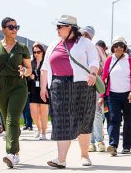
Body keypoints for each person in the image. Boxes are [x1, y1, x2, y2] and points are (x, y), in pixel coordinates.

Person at [40, 15, 99, 168]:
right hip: (59, 86)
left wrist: (92, 74)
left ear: (69, 28)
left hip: (82, 85)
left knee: (83, 120)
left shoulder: (85, 43)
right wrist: (43, 88)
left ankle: (85, 155)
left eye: (59, 27)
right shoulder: (53, 45)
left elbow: (94, 61)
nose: (57, 30)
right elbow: (45, 67)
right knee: (61, 122)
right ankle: (61, 159)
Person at [0, 17, 32, 168]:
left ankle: (10, 153)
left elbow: (29, 69)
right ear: (3, 29)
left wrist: (25, 71)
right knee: (7, 123)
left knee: (12, 118)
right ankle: (15, 154)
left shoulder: (22, 47)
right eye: (11, 27)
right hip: (1, 88)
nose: (15, 29)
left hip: (19, 87)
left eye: (17, 27)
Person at [98, 37, 131, 156]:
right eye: (116, 45)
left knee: (128, 122)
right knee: (113, 120)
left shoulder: (129, 60)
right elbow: (104, 79)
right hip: (113, 96)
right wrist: (101, 96)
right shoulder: (109, 60)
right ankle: (113, 145)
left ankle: (126, 146)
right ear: (113, 48)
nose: (119, 47)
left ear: (125, 48)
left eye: (121, 45)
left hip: (128, 96)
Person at [82, 26, 107, 152]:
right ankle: (90, 142)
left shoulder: (95, 49)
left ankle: (100, 140)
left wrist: (95, 70)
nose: (83, 35)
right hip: (81, 84)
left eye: (85, 34)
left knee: (96, 112)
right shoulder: (77, 47)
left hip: (94, 83)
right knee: (86, 114)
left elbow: (104, 66)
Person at [29, 43, 49, 139]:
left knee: (43, 112)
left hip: (44, 88)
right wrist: (30, 76)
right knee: (33, 112)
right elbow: (27, 74)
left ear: (42, 52)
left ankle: (44, 133)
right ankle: (39, 128)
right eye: (34, 52)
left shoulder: (46, 62)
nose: (36, 54)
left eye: (38, 52)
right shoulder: (31, 62)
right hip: (33, 89)